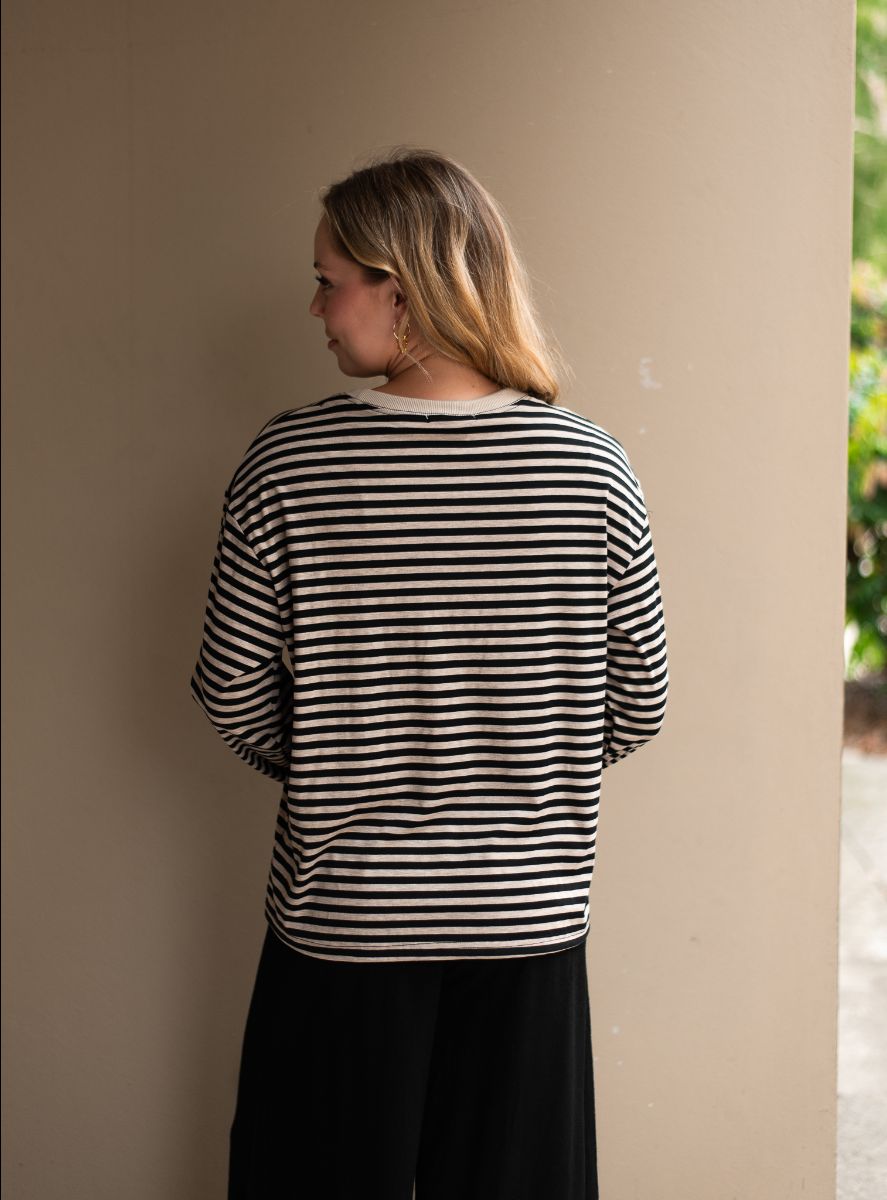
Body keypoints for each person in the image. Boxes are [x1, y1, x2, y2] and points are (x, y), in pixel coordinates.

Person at [189, 146, 669, 1200]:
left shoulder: (290, 464)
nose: (315, 308)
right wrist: (520, 776)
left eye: (328, 281)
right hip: (526, 927)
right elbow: (639, 703)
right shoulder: (589, 467)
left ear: (399, 290)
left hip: (345, 924)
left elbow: (228, 691)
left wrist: (338, 762)